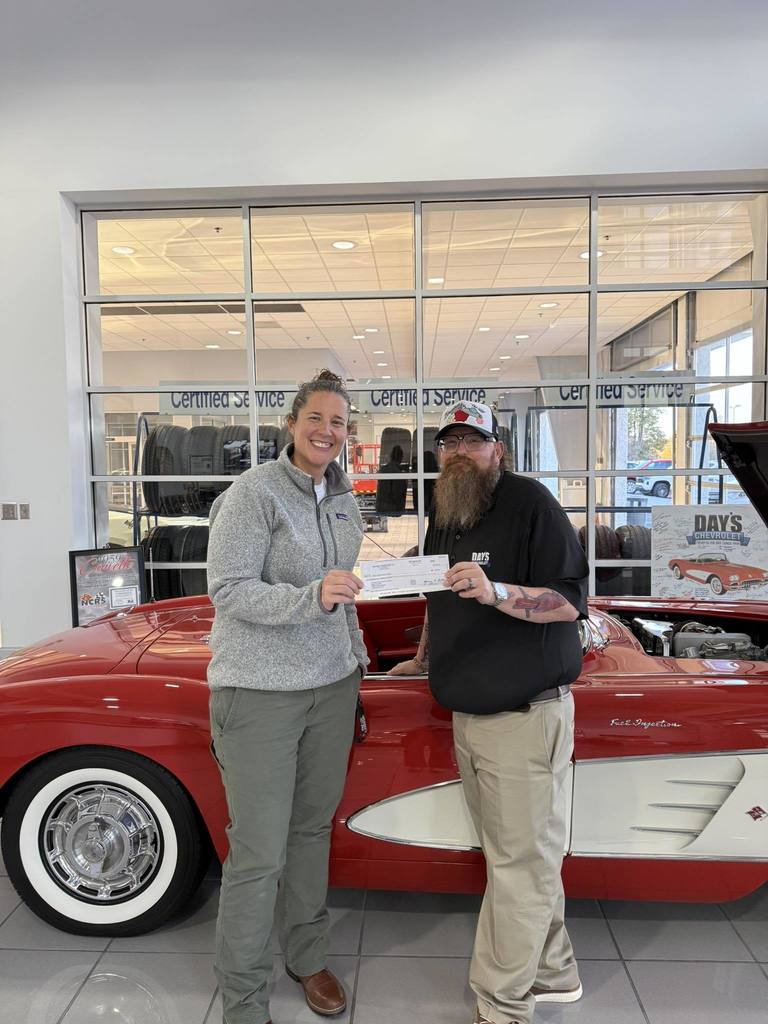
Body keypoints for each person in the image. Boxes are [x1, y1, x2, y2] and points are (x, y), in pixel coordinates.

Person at [390, 400, 588, 1024]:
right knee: (520, 858)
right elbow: (435, 599)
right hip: (470, 719)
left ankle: (502, 1006)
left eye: (473, 441)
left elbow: (570, 603)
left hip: (525, 718)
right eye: (449, 442)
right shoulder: (447, 513)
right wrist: (422, 660)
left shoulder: (533, 505)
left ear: (497, 449)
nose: (458, 452)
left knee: (519, 864)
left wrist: (497, 591)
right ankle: (555, 972)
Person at [206, 369, 369, 1024]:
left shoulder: (342, 497)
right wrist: (312, 597)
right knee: (259, 854)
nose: (326, 431)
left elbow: (347, 589)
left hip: (331, 687)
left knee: (309, 832)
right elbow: (229, 589)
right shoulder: (254, 493)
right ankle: (244, 999)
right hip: (261, 692)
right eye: (317, 419)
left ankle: (307, 956)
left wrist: (357, 662)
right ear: (292, 423)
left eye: (338, 423)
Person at [375, 443, 408, 515]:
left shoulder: (383, 469)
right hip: (393, 508)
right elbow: (397, 493)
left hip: (380, 507)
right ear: (401, 457)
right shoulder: (399, 472)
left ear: (391, 456)